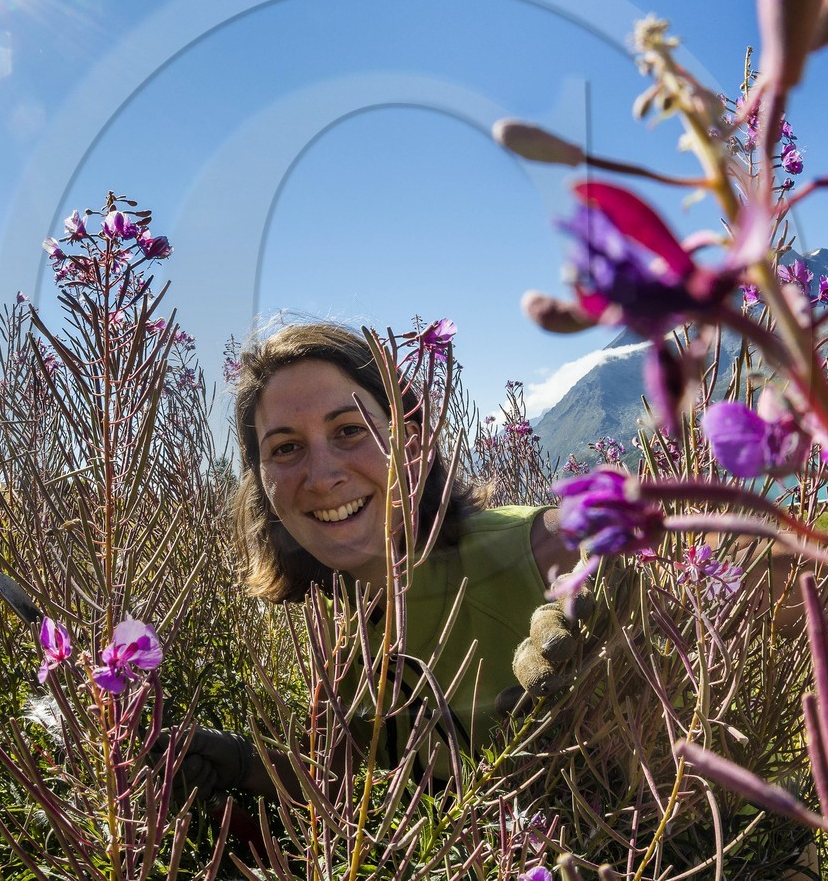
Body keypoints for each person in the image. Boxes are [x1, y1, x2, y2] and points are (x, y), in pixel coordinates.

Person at [177, 322, 580, 799]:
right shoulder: (339, 635)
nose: (322, 477)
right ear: (261, 481)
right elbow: (349, 789)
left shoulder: (547, 551)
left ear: (411, 446)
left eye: (350, 431)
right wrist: (245, 766)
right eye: (285, 448)